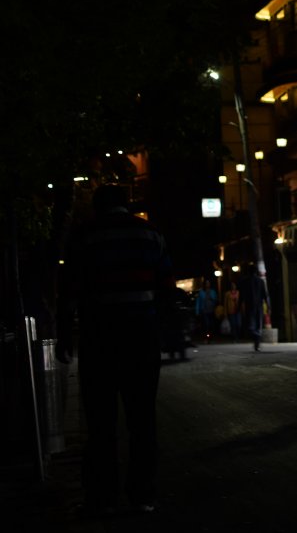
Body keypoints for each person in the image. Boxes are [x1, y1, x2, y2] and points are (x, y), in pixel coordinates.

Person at [56, 184, 174, 515]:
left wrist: (65, 335)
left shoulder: (84, 236)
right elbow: (166, 290)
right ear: (127, 205)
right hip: (142, 339)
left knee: (100, 423)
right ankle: (143, 495)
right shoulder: (151, 235)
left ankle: (102, 495)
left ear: (97, 207)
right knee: (142, 419)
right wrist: (164, 334)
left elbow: (68, 292)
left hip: (99, 339)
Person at [238, 263, 269, 352]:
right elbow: (265, 295)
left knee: (251, 326)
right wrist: (268, 305)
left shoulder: (245, 281)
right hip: (258, 306)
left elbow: (241, 295)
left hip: (250, 306)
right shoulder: (260, 281)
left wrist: (239, 305)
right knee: (257, 325)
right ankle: (257, 339)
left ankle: (257, 341)